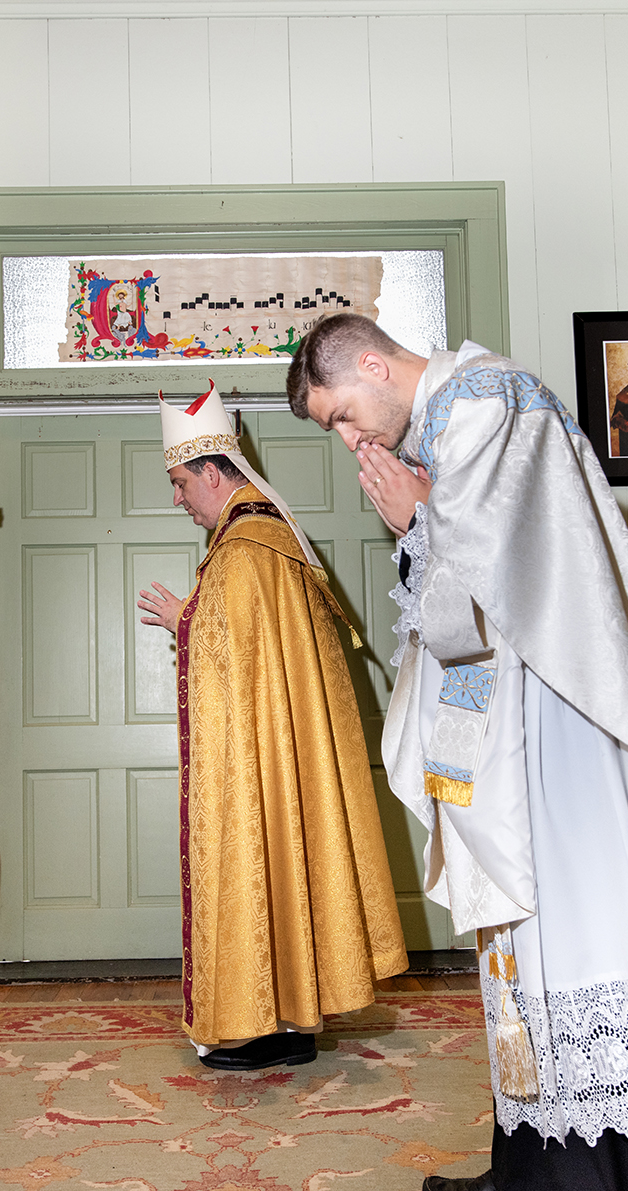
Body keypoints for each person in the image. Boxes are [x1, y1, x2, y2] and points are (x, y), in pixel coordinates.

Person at [288, 314, 628, 1191]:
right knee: (531, 957)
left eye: (344, 414)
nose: (353, 441)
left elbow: (499, 584)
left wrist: (417, 520)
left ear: (375, 365)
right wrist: (421, 521)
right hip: (523, 727)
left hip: (561, 737)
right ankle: (531, 1159)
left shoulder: (484, 407)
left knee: (572, 939)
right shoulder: (456, 419)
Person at [135, 382, 407, 1071]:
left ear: (211, 471)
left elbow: (231, 651)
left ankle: (263, 1022)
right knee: (291, 855)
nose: (177, 499)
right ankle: (292, 1020)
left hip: (258, 762)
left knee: (260, 854)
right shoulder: (267, 537)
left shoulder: (244, 551)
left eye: (178, 483)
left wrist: (183, 619)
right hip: (282, 752)